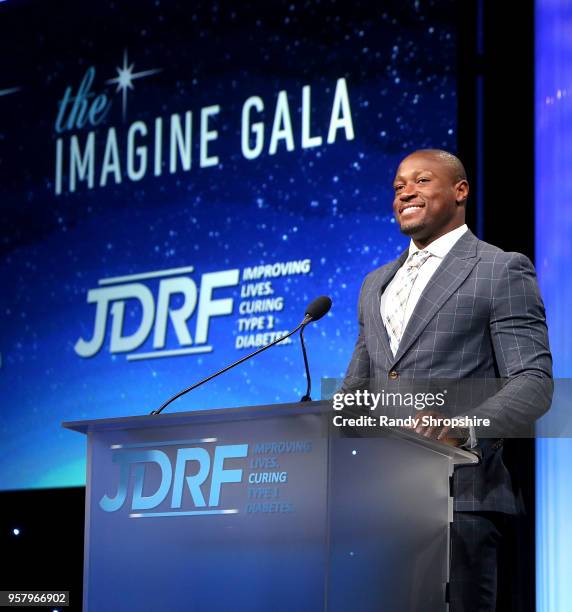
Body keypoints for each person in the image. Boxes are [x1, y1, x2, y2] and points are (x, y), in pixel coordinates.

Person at [340, 149, 553, 611]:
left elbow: (534, 381)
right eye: (399, 186)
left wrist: (463, 426)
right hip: (378, 505)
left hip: (463, 501)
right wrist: (317, 426)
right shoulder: (374, 283)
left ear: (460, 191)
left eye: (420, 181)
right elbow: (358, 388)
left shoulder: (499, 268)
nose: (406, 193)